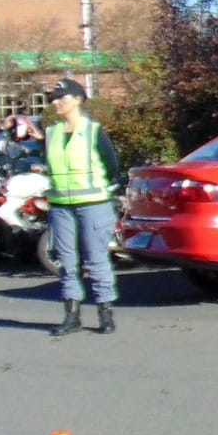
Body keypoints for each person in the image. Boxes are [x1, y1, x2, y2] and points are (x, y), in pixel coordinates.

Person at [42, 78, 122, 337]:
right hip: (61, 206)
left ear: (78, 99)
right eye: (53, 98)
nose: (55, 102)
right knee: (66, 262)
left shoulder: (93, 132)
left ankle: (105, 311)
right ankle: (71, 314)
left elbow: (112, 167)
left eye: (61, 97)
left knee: (96, 259)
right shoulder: (51, 133)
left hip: (93, 204)